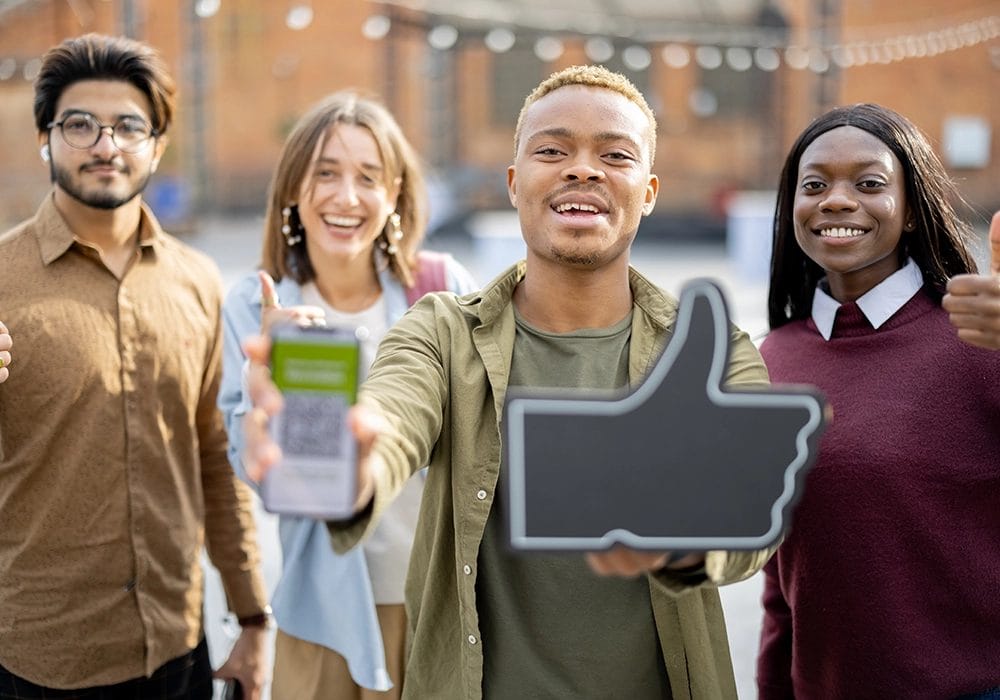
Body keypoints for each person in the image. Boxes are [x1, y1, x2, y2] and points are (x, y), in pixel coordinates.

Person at [243, 64, 776, 698]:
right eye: (552, 150)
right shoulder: (440, 332)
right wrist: (351, 464)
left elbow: (752, 510)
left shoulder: (713, 353)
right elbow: (394, 412)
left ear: (650, 190)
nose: (583, 169)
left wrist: (691, 540)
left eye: (614, 154)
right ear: (514, 182)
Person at [0, 33, 270, 699]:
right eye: (80, 125)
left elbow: (214, 455)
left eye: (128, 126)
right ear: (46, 138)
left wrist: (254, 614)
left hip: (177, 646)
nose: (105, 144)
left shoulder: (198, 281)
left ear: (157, 144)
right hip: (38, 659)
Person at [218, 90, 477, 698]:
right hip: (324, 616)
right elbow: (248, 461)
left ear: (395, 197)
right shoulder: (256, 306)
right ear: (291, 191)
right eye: (325, 173)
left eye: (368, 177)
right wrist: (274, 406)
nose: (347, 196)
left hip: (436, 605)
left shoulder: (441, 289)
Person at [756, 103, 1000, 699]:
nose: (836, 201)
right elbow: (780, 578)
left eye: (869, 183)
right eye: (814, 185)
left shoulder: (980, 339)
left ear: (913, 208)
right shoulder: (768, 360)